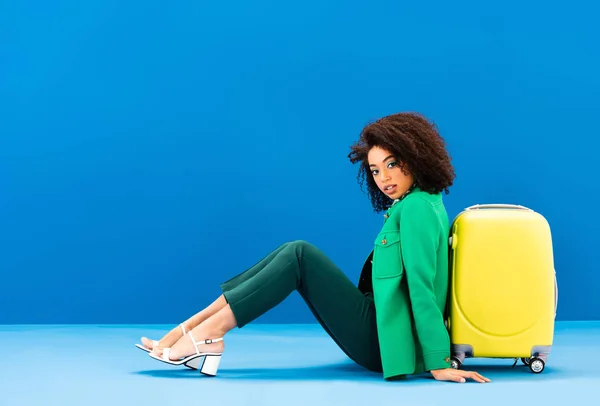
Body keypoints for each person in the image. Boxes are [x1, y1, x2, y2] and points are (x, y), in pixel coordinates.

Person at [137, 112, 490, 384]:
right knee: (293, 251)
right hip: (380, 327)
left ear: (416, 156)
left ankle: (207, 335)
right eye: (375, 170)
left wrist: (438, 360)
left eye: (392, 165)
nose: (384, 178)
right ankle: (189, 330)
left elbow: (421, 287)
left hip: (385, 342)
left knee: (299, 255)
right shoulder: (415, 204)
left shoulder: (417, 208)